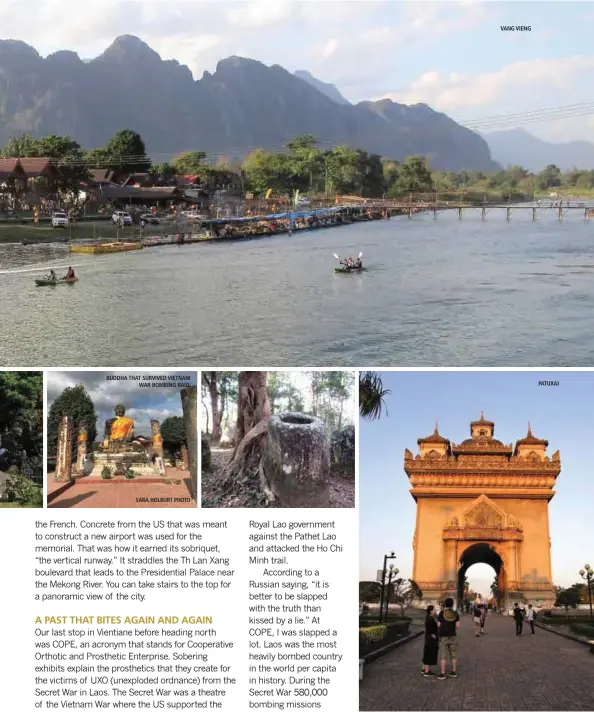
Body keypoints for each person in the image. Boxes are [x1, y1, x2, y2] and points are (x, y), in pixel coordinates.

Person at [437, 597, 460, 679]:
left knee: (443, 656)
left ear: (445, 604)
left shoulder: (441, 613)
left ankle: (443, 674)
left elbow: (438, 625)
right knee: (453, 655)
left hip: (443, 636)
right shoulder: (455, 613)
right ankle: (453, 672)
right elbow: (457, 626)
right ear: (452, 604)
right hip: (453, 636)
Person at [422, 605, 439, 677]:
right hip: (431, 639)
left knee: (427, 653)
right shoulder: (430, 619)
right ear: (431, 611)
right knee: (429, 653)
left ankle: (424, 669)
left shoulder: (429, 618)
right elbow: (430, 630)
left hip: (428, 638)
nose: (435, 611)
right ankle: (427, 671)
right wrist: (435, 637)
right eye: (434, 610)